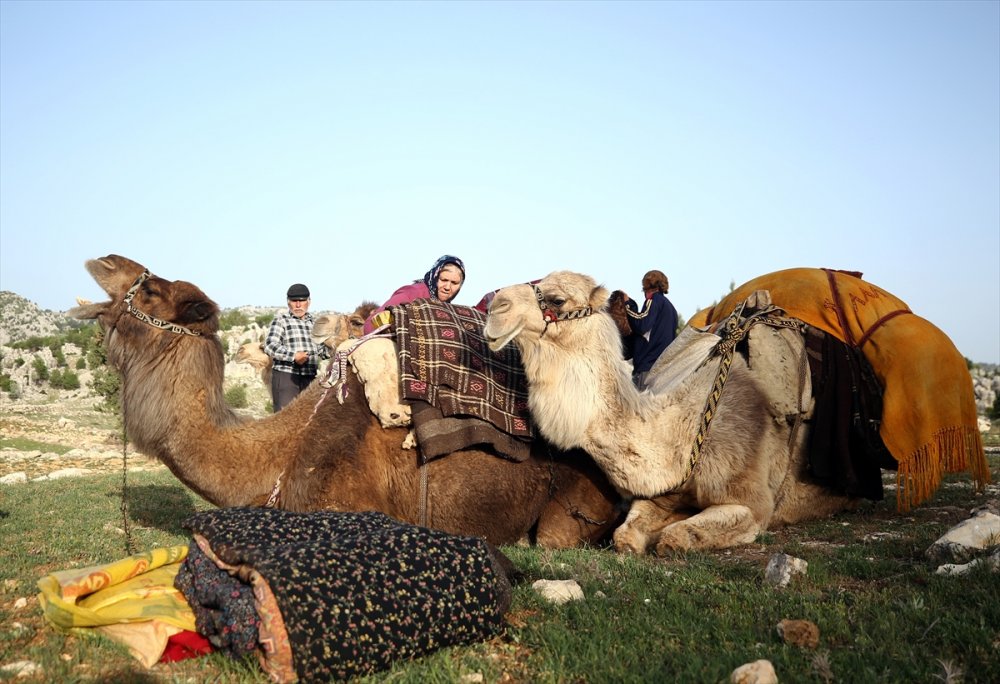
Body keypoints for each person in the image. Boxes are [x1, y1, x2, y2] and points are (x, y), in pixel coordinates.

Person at [264, 283, 329, 412]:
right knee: (285, 422)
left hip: (310, 379)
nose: (298, 305)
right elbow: (270, 345)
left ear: (309, 301)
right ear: (288, 302)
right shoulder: (281, 320)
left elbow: (323, 352)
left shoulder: (314, 323)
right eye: (294, 301)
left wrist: (338, 346)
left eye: (302, 300)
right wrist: (293, 356)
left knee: (308, 421)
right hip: (286, 377)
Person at [363, 255, 466, 333]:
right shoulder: (412, 293)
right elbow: (371, 324)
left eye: (454, 283)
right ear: (434, 276)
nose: (448, 287)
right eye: (444, 280)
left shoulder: (447, 309)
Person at [623, 269, 679, 390]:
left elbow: (642, 324)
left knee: (637, 408)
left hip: (647, 369)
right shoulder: (671, 309)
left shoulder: (653, 300)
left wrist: (627, 304)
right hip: (663, 370)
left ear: (647, 286)